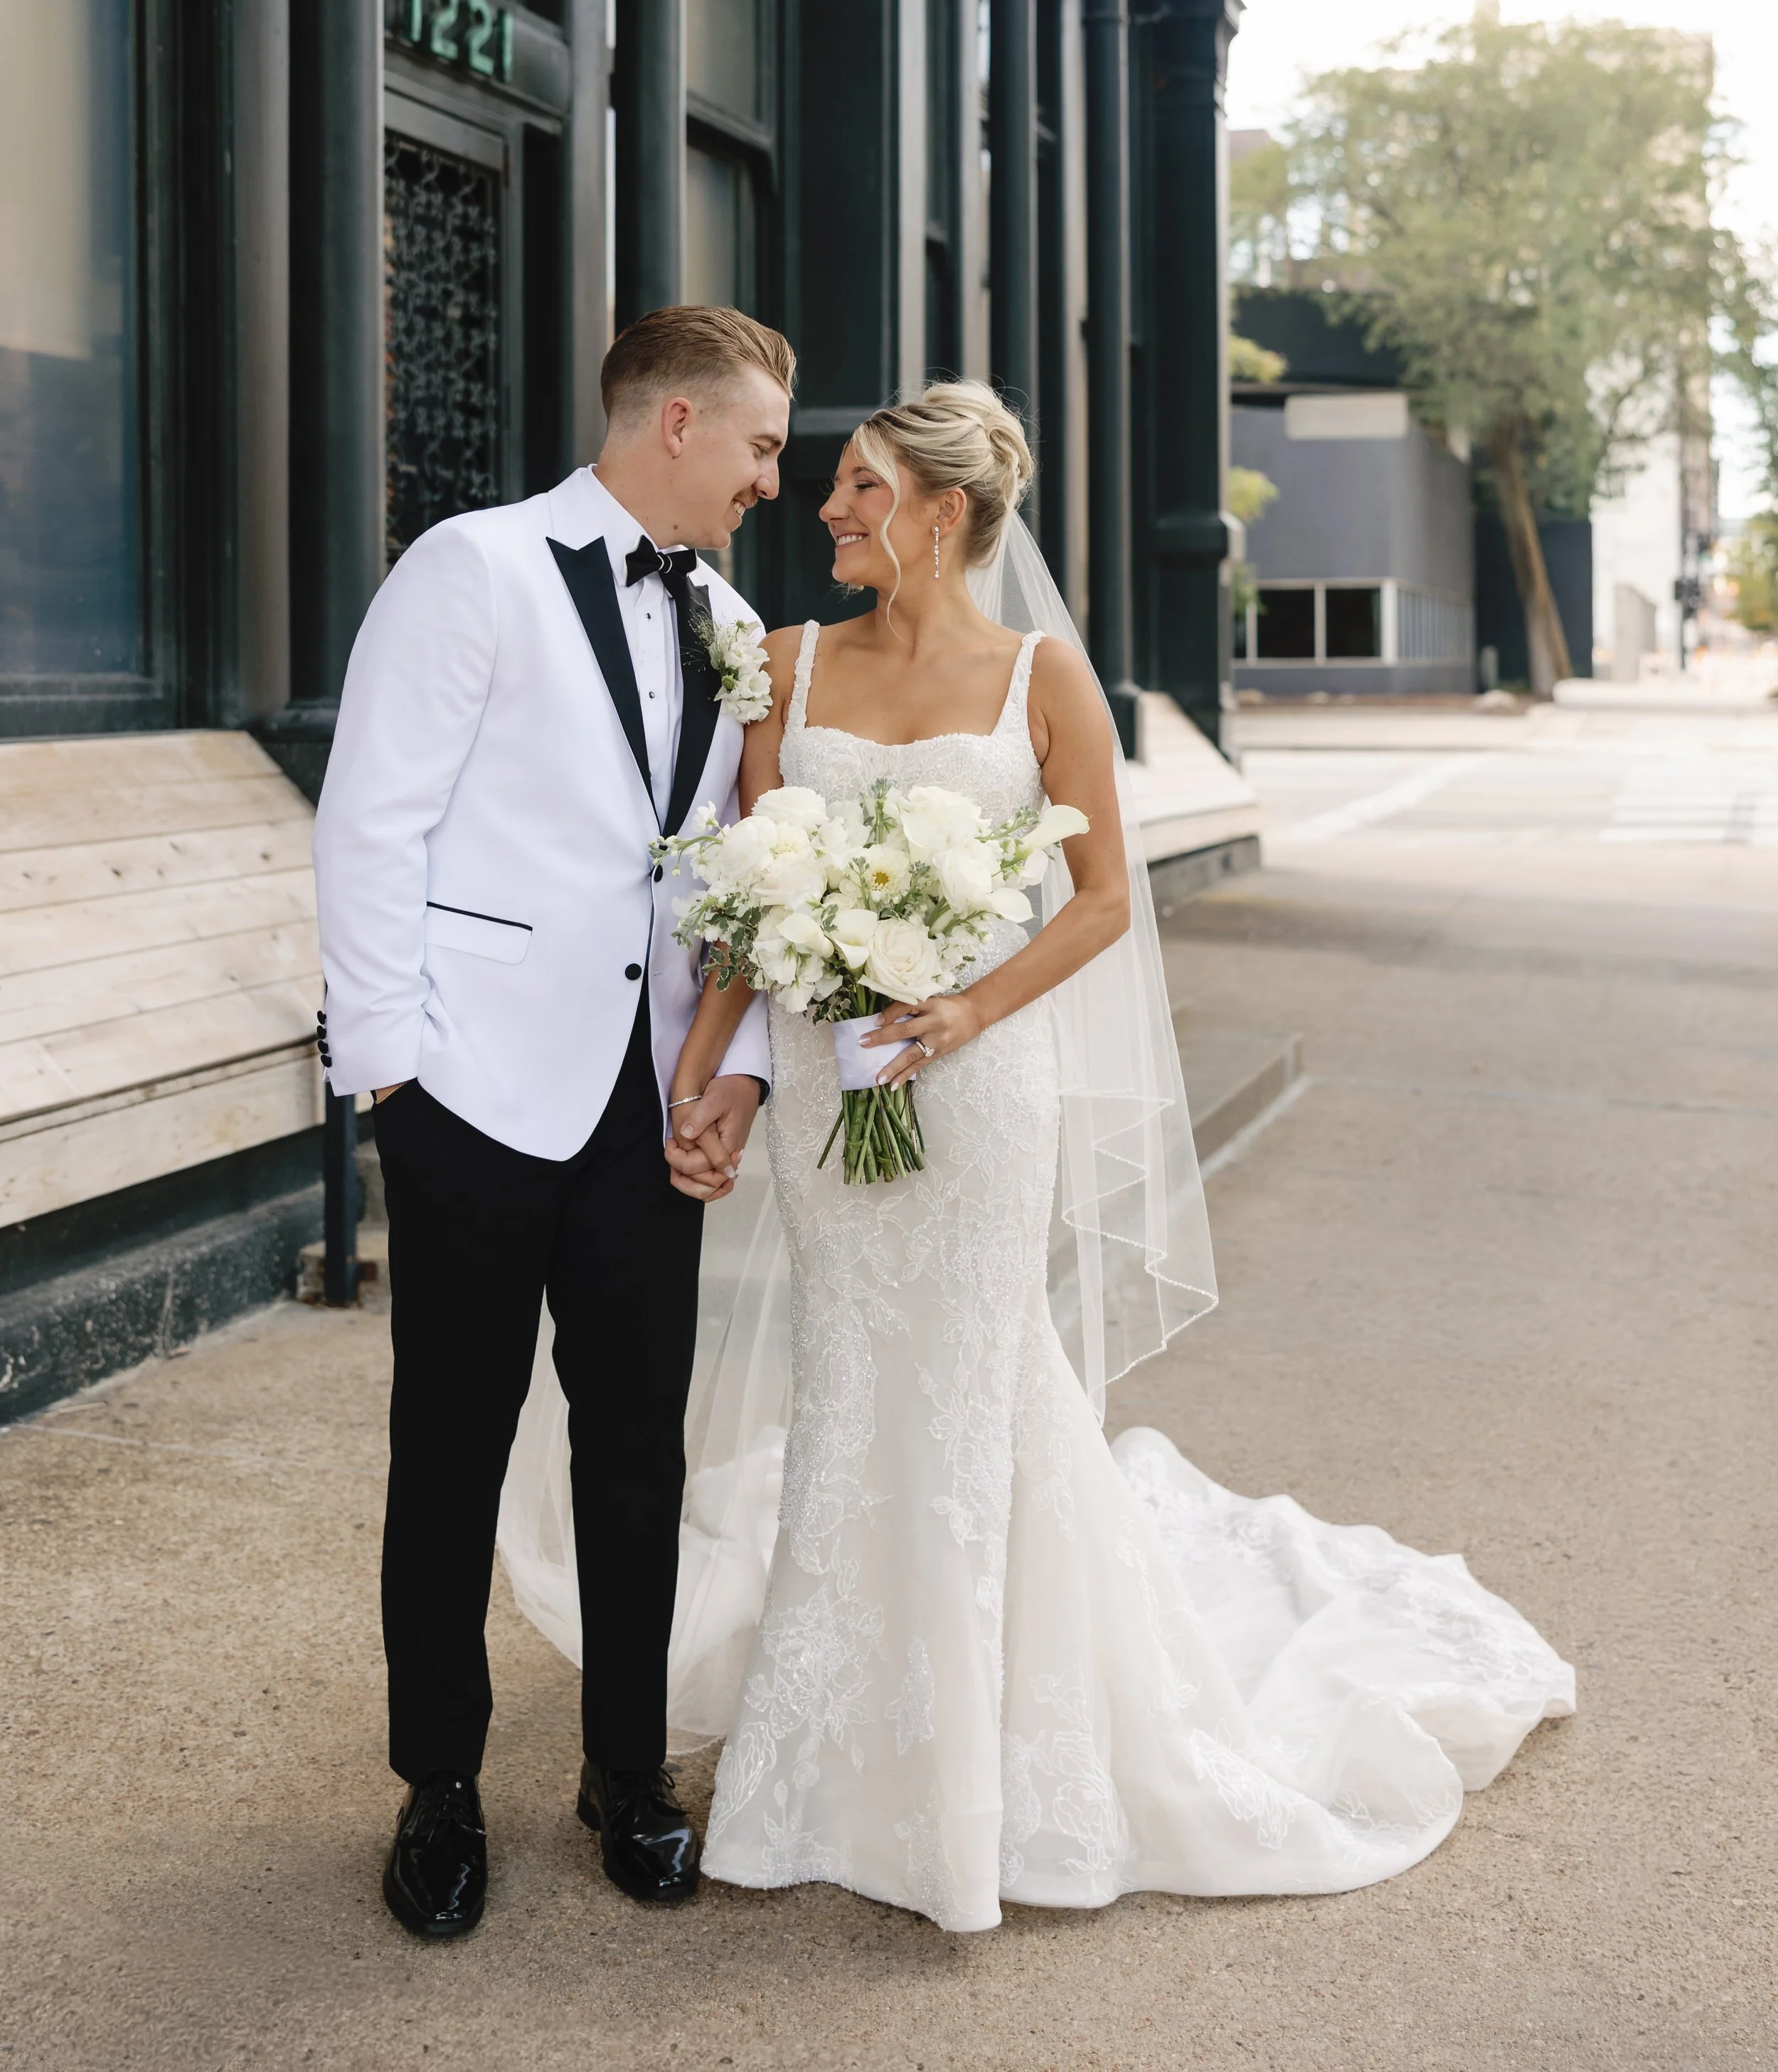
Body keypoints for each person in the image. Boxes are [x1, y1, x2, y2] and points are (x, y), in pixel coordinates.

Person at [637, 378, 1572, 1929]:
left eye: (860, 487)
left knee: (968, 1380)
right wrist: (708, 1064)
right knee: (853, 1377)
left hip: (972, 1089)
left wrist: (962, 1009)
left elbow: (1096, 901)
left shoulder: (1039, 678)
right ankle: (830, 1748)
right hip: (822, 1084)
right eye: (826, 487)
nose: (826, 511)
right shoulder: (782, 667)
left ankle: (995, 1755)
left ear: (944, 511)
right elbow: (749, 889)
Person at [312, 305, 794, 1940]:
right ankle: (438, 1787)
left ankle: (622, 1773)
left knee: (636, 1448)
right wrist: (391, 1071)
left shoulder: (732, 620)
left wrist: (738, 1071)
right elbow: (371, 817)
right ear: (674, 423)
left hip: (648, 1109)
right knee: (446, 1444)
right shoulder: (475, 566)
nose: (771, 479)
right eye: (758, 445)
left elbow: (740, 881)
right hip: (472, 1089)